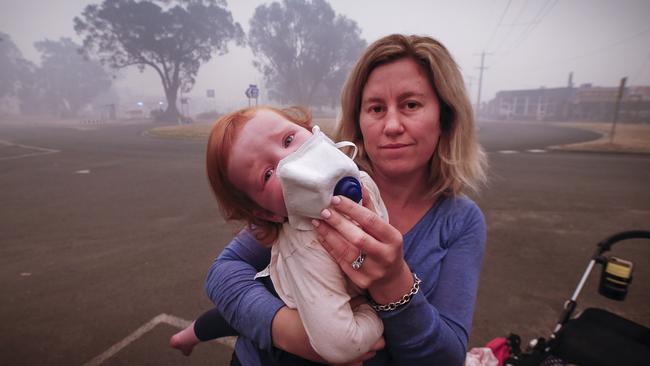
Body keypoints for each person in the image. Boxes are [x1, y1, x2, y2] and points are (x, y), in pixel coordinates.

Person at [205, 33, 488, 366]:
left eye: (411, 104)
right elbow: (223, 272)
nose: (392, 125)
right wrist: (285, 329)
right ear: (359, 119)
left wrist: (393, 283)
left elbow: (447, 357)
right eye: (376, 108)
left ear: (446, 117)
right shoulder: (308, 188)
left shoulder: (460, 221)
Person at [171, 106, 387, 364]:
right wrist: (372, 313)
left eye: (288, 140)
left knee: (232, 314)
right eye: (268, 174)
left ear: (313, 132)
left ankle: (189, 334)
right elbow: (342, 345)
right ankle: (189, 335)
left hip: (306, 292)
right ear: (267, 213)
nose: (290, 161)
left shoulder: (362, 181)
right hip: (277, 314)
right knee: (235, 313)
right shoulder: (304, 248)